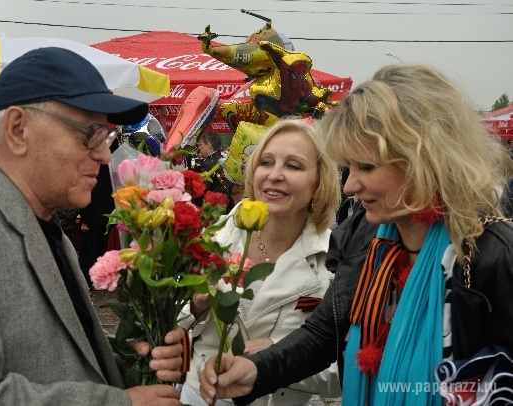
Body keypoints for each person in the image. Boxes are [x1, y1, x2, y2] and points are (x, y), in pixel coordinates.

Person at [199, 64, 513, 406]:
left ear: (422, 160)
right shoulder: (364, 232)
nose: (349, 186)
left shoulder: (492, 254)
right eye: (348, 167)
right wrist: (257, 371)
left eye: (366, 167)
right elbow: (325, 334)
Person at [0, 47, 185, 406]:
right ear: (18, 129)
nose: (104, 155)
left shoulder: (48, 228)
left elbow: (62, 361)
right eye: (92, 132)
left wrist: (136, 360)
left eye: (107, 137)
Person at [178, 118, 342, 406]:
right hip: (198, 397)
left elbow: (346, 370)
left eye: (293, 166)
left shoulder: (336, 259)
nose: (274, 175)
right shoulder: (212, 237)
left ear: (320, 182)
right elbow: (163, 328)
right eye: (266, 162)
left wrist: (281, 356)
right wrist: (194, 306)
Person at [79, 163, 116, 286]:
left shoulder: (91, 176)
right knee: (101, 250)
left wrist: (85, 220)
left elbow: (89, 198)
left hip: (92, 219)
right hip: (107, 217)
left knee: (88, 252)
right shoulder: (110, 174)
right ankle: (98, 280)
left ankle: (87, 282)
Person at [189, 131, 232, 208]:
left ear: (209, 146)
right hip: (225, 204)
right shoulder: (225, 160)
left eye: (201, 145)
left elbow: (201, 189)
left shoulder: (208, 164)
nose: (199, 148)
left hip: (210, 207)